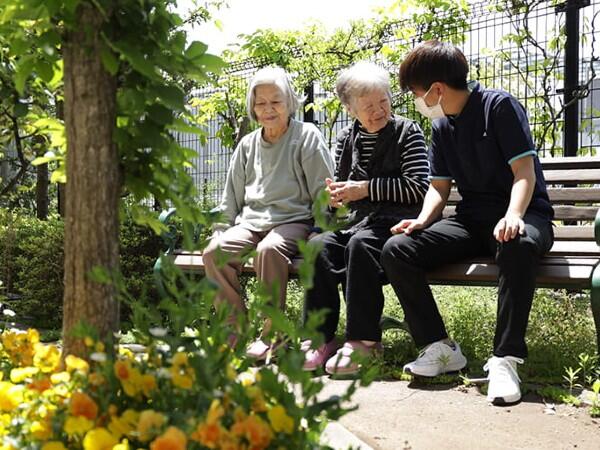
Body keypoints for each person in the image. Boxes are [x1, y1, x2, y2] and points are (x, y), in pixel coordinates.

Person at [380, 40, 554, 405]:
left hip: (523, 215)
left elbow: (524, 172)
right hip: (472, 222)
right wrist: (421, 221)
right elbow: (438, 188)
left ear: (437, 89)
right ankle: (440, 348)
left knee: (516, 243)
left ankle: (505, 360)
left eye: (415, 92)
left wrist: (514, 215)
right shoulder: (442, 126)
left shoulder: (499, 107)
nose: (416, 101)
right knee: (398, 249)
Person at [302, 61, 430, 375]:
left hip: (399, 223)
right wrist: (335, 198)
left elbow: (418, 187)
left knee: (360, 245)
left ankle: (365, 343)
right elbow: (342, 187)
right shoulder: (347, 138)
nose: (378, 111)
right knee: (317, 245)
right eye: (368, 106)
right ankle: (320, 338)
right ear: (350, 109)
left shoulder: (407, 132)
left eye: (383, 102)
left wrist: (366, 189)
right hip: (359, 222)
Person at [202, 66, 334, 360]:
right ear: (253, 108)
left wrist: (320, 227)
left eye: (276, 101)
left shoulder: (306, 136)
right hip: (251, 222)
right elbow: (231, 194)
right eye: (260, 103)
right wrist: (222, 226)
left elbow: (323, 191)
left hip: (294, 221)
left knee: (269, 250)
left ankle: (274, 335)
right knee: (214, 251)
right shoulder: (248, 144)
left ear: (289, 102)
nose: (268, 109)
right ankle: (233, 327)